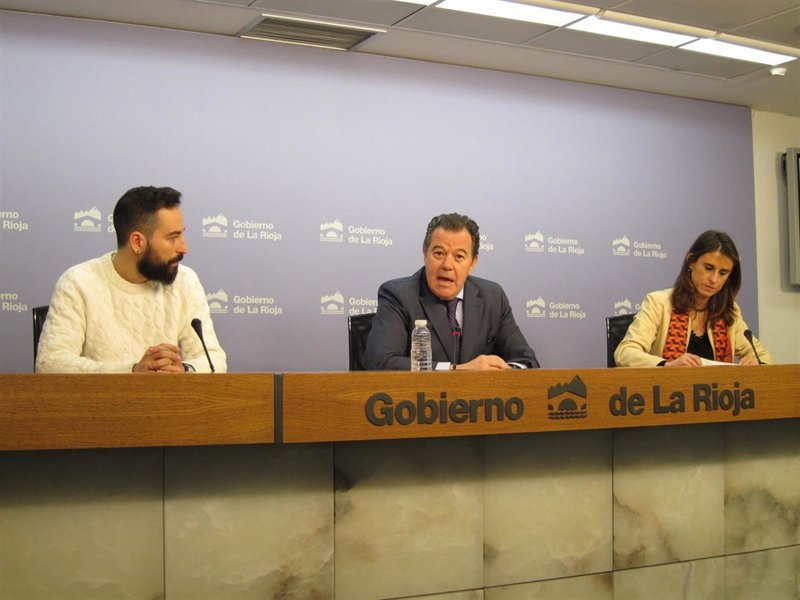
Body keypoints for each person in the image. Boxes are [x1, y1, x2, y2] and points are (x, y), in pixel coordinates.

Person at [36, 186, 226, 373]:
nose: (184, 248)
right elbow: (50, 363)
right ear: (137, 242)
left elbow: (214, 359)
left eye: (182, 234)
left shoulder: (186, 281)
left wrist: (184, 370)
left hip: (168, 395)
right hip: (103, 395)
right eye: (173, 237)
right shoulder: (78, 282)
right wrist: (132, 372)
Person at [364, 213, 539, 370]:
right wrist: (457, 370)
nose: (447, 265)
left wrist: (504, 372)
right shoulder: (399, 295)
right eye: (439, 253)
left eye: (459, 256)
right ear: (425, 253)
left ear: (472, 263)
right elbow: (380, 362)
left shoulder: (493, 297)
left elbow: (526, 360)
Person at [615, 230, 772, 368]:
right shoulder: (659, 303)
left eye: (723, 273)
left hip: (718, 392)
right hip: (666, 390)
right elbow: (625, 352)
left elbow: (763, 357)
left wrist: (755, 361)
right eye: (708, 268)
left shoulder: (729, 310)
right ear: (690, 261)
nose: (714, 279)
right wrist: (667, 365)